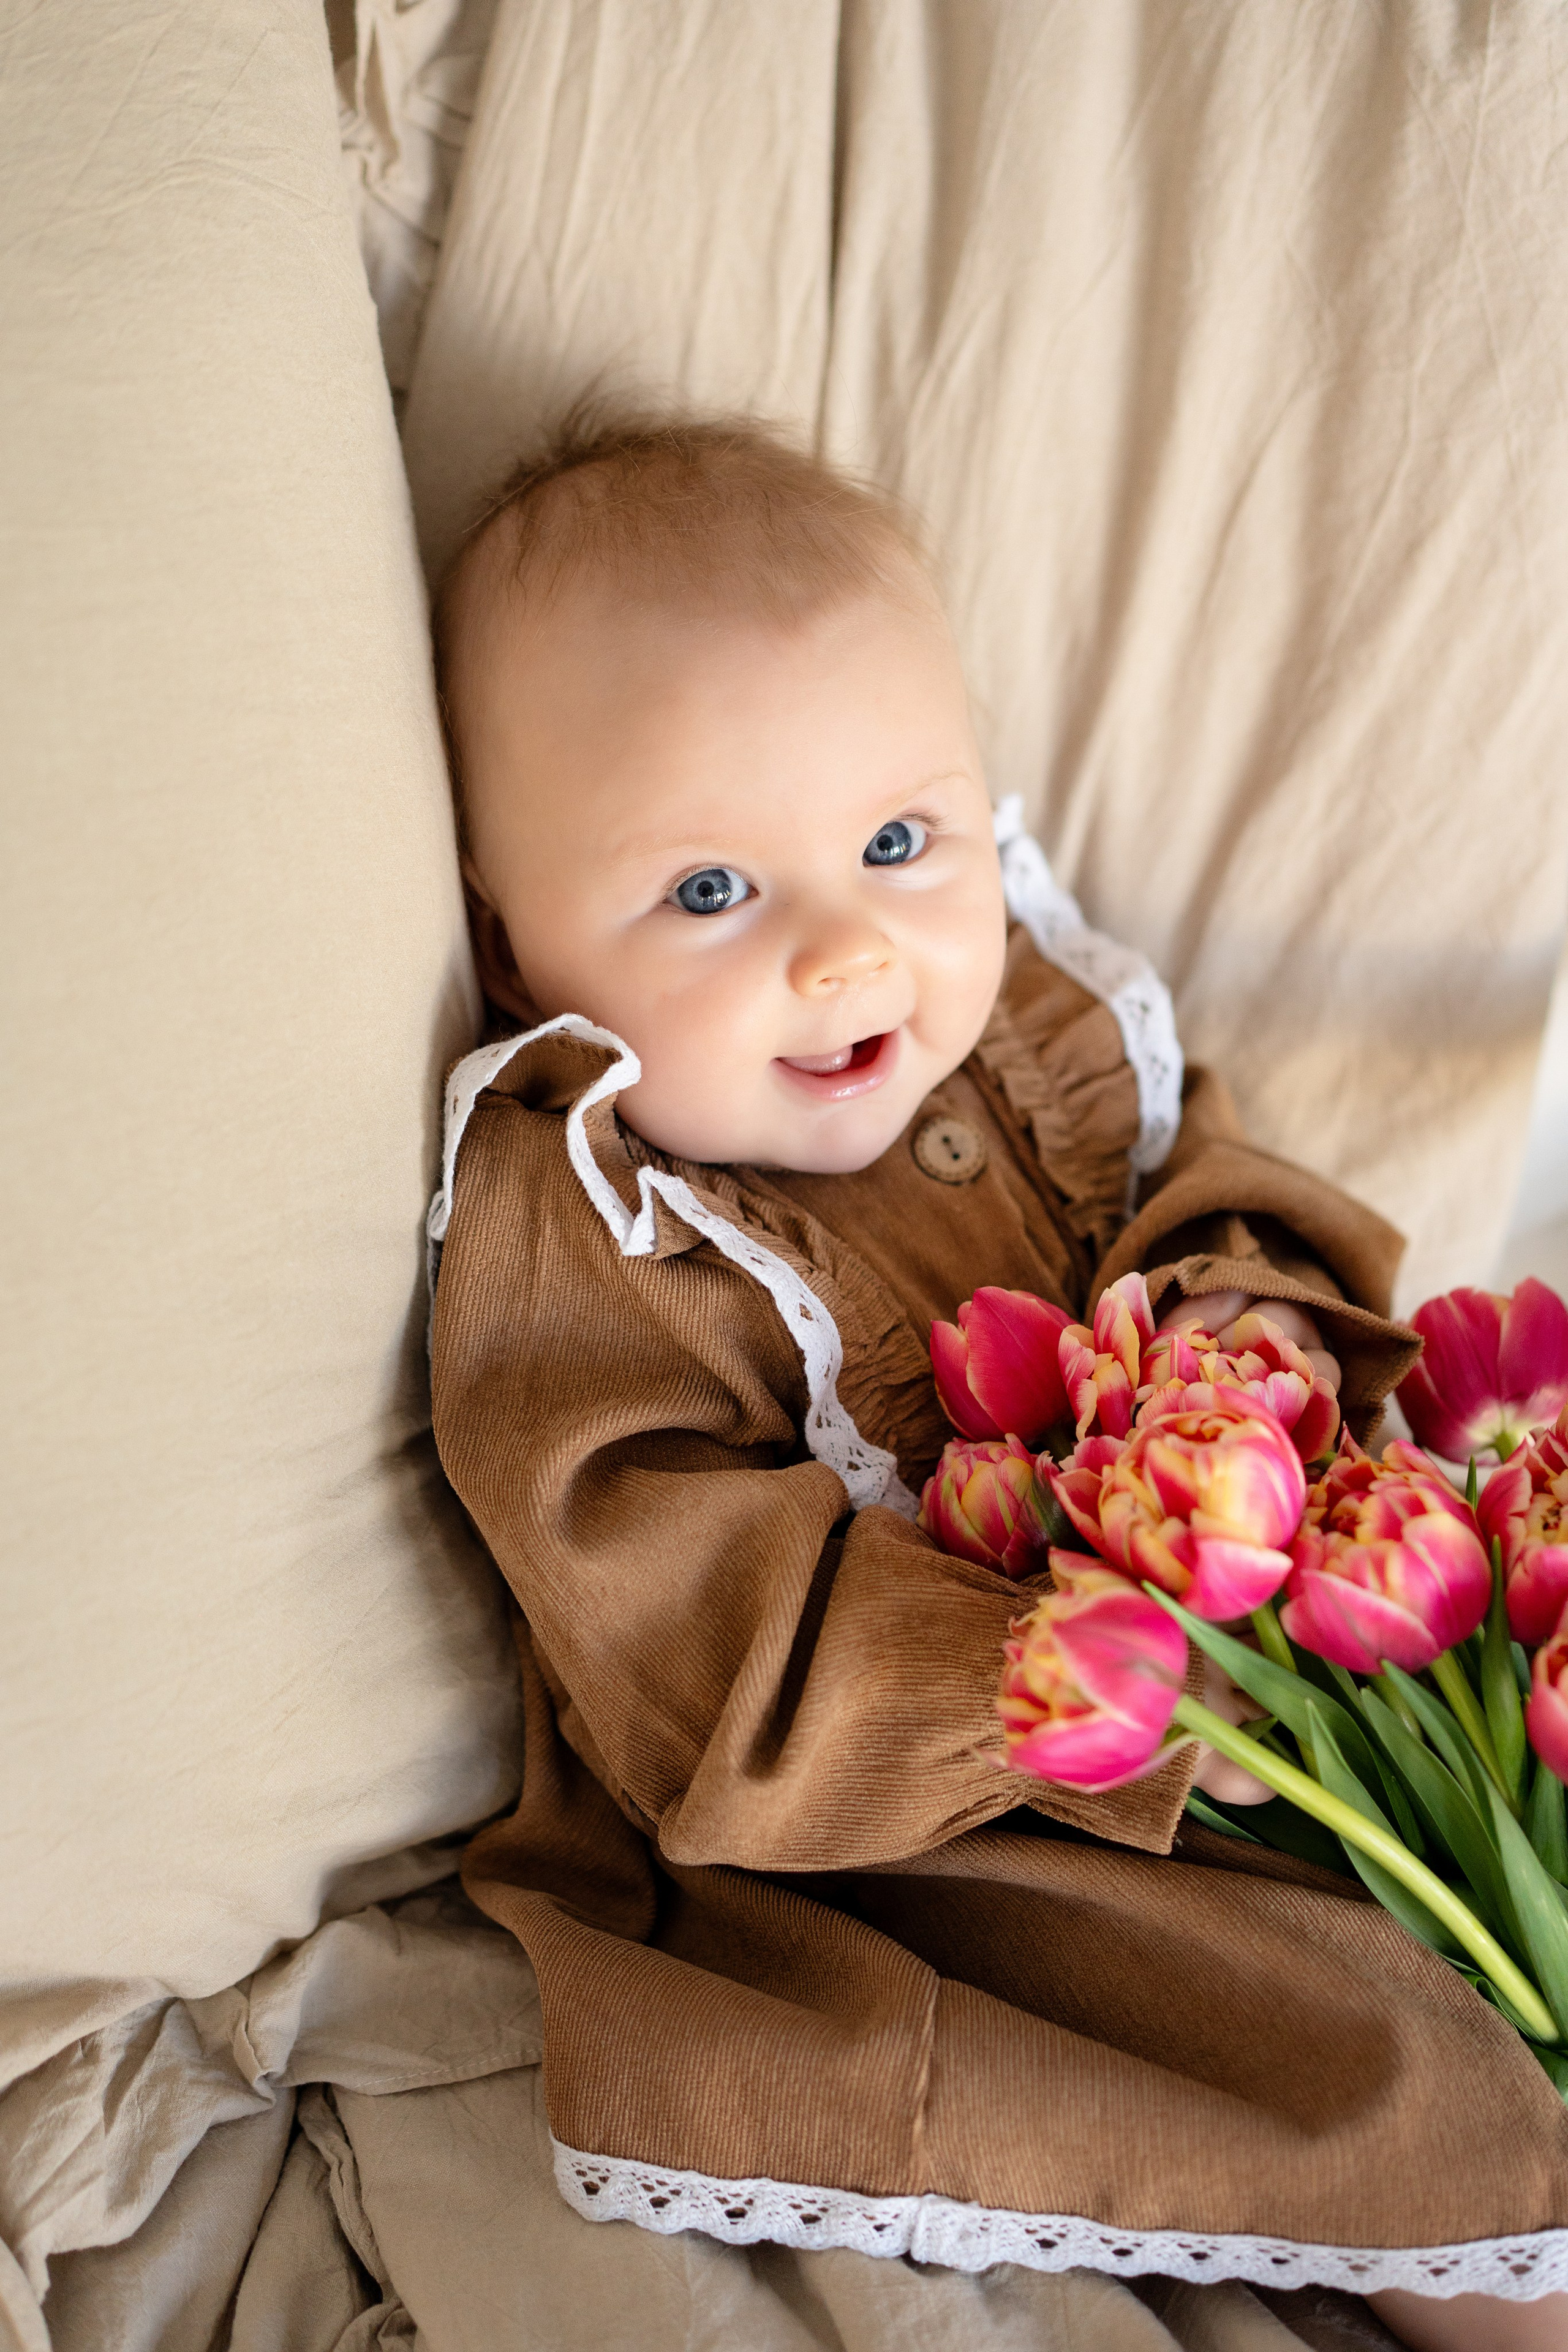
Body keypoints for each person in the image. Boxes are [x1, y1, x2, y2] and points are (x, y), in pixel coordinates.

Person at [428, 412, 1568, 2350]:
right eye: (711, 892)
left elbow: (1212, 1178)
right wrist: (1066, 1655)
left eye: (896, 842)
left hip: (1286, 1652)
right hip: (947, 1837)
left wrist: (1248, 1328)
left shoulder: (1033, 1017)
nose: (851, 947)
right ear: (506, 930)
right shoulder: (596, 1216)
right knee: (1396, 2053)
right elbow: (686, 1659)